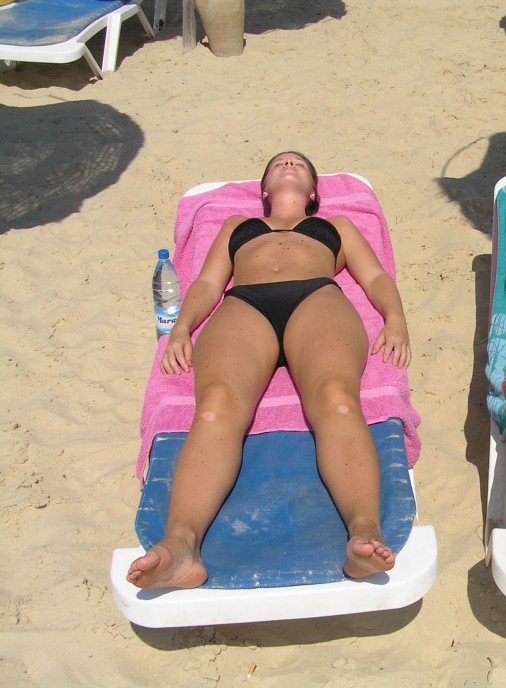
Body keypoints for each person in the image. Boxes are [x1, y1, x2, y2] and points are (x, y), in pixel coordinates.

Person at [127, 151, 411, 588]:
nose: (289, 164)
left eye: (299, 163)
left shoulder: (337, 227)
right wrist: (180, 329)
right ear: (263, 190)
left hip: (317, 298)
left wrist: (394, 318)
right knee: (215, 406)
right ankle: (181, 545)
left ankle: (364, 533)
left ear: (314, 192)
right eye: (279, 163)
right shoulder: (234, 228)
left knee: (336, 396)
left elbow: (374, 277)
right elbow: (206, 283)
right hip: (245, 303)